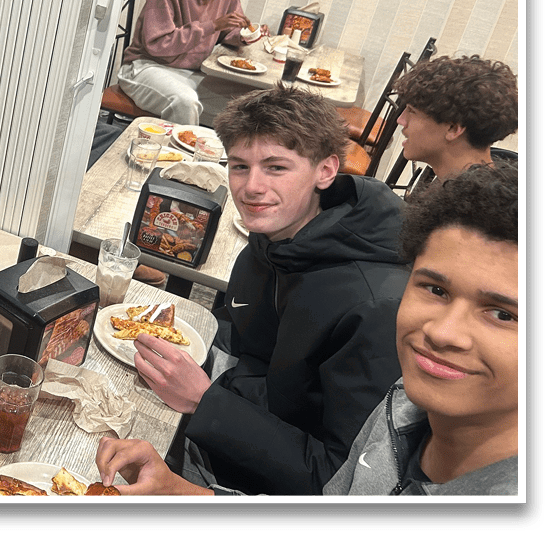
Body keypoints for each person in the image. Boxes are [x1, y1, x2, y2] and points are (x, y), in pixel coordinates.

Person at [96, 162, 519, 496]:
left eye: (503, 314)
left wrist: (208, 404)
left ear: (326, 173)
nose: (444, 333)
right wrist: (183, 493)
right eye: (435, 289)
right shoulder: (403, 406)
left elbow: (320, 472)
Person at [127, 84, 409, 494]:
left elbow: (335, 479)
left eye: (276, 167)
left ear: (326, 171)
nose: (251, 187)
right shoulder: (274, 235)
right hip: (223, 422)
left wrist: (205, 402)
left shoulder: (375, 308)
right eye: (239, 166)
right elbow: (241, 335)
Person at [117, 0, 261, 126]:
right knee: (184, 102)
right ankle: (180, 155)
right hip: (146, 66)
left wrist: (244, 35)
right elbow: (157, 45)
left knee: (249, 104)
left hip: (190, 72)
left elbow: (228, 32)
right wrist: (212, 26)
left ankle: (213, 154)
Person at [394, 54, 518, 183]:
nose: (400, 120)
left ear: (453, 129)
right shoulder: (462, 184)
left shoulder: (473, 201)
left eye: (412, 111)